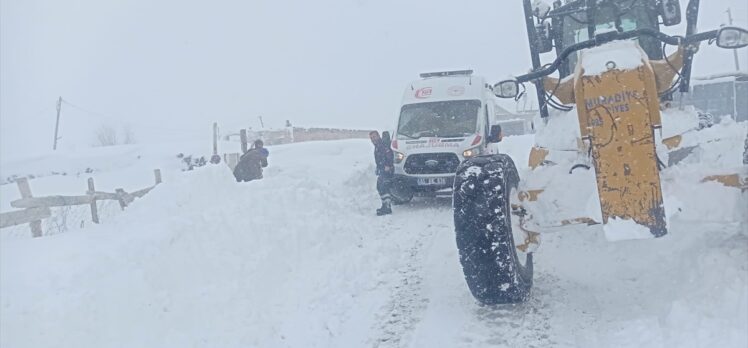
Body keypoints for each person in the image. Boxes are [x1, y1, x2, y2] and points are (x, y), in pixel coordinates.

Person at [370, 130, 394, 216]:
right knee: (380, 187)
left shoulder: (382, 144)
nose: (373, 139)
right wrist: (378, 168)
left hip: (387, 169)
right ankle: (385, 206)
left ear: (378, 136)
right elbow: (379, 159)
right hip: (382, 169)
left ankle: (387, 207)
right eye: (371, 138)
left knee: (383, 187)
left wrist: (388, 165)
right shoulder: (377, 146)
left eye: (374, 137)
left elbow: (389, 154)